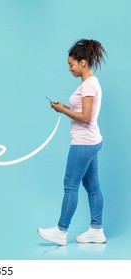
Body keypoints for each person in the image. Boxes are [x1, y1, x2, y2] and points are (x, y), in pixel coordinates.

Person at [38, 39, 107, 246]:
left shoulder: (88, 85)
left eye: (72, 64)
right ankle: (97, 230)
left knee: (70, 186)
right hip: (92, 141)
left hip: (83, 143)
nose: (70, 68)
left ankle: (61, 231)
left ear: (83, 62)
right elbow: (85, 113)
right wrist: (66, 107)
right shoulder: (90, 84)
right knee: (93, 187)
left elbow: (85, 117)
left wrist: (63, 110)